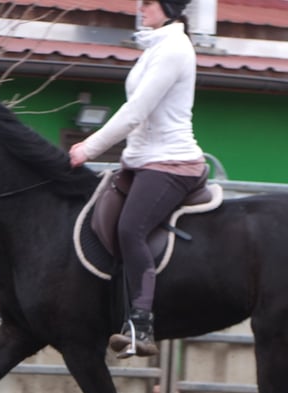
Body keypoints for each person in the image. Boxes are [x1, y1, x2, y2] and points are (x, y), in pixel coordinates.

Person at [69, 0, 207, 358]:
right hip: (142, 160)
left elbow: (135, 112)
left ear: (168, 8)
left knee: (131, 228)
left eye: (148, 2)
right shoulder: (155, 46)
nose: (140, 7)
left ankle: (141, 324)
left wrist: (90, 147)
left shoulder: (174, 49)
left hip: (171, 163)